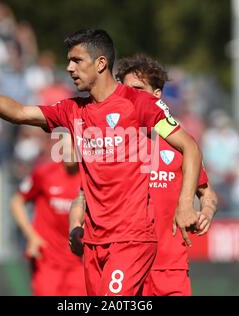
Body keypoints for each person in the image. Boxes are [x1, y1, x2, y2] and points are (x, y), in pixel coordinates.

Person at [0, 29, 202, 296]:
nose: (69, 68)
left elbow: (190, 147)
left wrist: (185, 205)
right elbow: (20, 113)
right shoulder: (72, 110)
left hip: (131, 240)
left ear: (100, 63)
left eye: (76, 60)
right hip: (93, 242)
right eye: (69, 61)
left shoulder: (139, 103)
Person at [70, 54, 218, 296]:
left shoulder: (179, 146)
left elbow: (207, 193)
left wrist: (205, 213)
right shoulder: (112, 145)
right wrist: (75, 228)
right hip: (125, 264)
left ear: (157, 95)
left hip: (169, 268)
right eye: (125, 89)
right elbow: (81, 197)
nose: (130, 96)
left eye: (138, 89)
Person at [9, 134, 85, 296]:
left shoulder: (89, 178)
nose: (69, 152)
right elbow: (16, 202)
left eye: (73, 147)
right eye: (66, 147)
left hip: (79, 262)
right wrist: (31, 236)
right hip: (47, 260)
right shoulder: (44, 174)